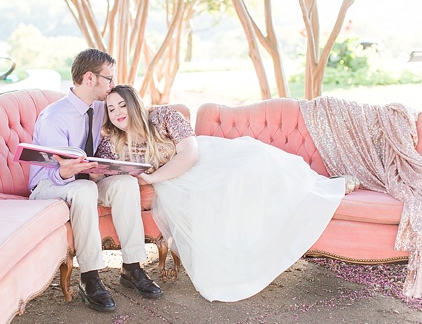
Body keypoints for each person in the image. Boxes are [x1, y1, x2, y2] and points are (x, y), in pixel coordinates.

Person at [95, 84, 347, 302]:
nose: (117, 113)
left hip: (201, 161)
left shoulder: (162, 117)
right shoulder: (111, 140)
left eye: (121, 105)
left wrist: (152, 177)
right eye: (111, 109)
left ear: (134, 104)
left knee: (255, 162)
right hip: (174, 182)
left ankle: (324, 185)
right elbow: (103, 174)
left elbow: (190, 153)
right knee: (214, 193)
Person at [28, 50, 162, 313]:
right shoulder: (54, 117)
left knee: (124, 183)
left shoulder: (101, 109)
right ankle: (89, 277)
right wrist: (66, 171)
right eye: (109, 79)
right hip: (50, 184)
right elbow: (49, 170)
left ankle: (132, 268)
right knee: (85, 189)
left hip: (86, 179)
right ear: (90, 78)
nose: (112, 85)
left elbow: (134, 117)